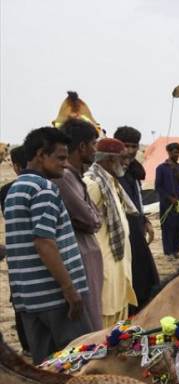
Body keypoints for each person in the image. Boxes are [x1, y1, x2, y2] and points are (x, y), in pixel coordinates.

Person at [3, 127, 91, 363]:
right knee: (78, 363)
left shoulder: (15, 190)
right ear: (41, 155)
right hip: (55, 299)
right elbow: (44, 243)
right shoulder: (44, 189)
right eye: (60, 158)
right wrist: (70, 291)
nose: (65, 164)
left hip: (28, 299)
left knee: (45, 368)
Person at [57, 118, 105, 331]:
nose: (96, 149)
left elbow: (93, 216)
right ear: (82, 146)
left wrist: (93, 217)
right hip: (80, 256)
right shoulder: (64, 178)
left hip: (88, 253)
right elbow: (91, 218)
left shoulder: (76, 177)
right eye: (93, 144)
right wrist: (93, 217)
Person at [85, 138, 138, 326]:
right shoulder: (92, 183)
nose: (127, 161)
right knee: (106, 312)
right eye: (122, 158)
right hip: (104, 261)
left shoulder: (111, 182)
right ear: (108, 159)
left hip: (118, 259)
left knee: (119, 312)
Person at [114, 126, 159, 311]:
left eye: (134, 146)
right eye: (126, 146)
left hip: (135, 228)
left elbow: (135, 199)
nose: (130, 151)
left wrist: (145, 220)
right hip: (120, 231)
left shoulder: (132, 171)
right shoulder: (110, 171)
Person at [1, 144, 34, 356]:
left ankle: (27, 347)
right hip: (40, 254)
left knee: (20, 300)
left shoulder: (6, 191)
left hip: (17, 256)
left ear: (14, 165)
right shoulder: (44, 186)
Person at [155, 142, 179, 260]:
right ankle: (168, 253)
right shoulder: (161, 168)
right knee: (168, 228)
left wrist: (175, 168)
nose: (177, 154)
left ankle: (176, 251)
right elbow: (158, 186)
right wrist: (169, 198)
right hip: (167, 204)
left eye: (178, 152)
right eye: (174, 152)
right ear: (169, 153)